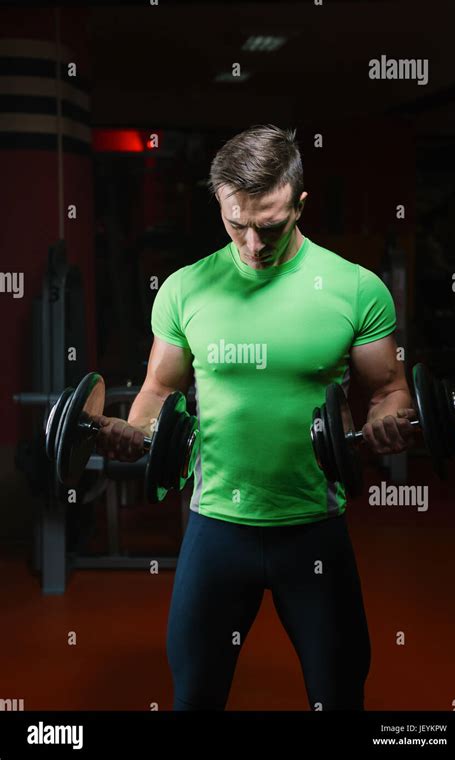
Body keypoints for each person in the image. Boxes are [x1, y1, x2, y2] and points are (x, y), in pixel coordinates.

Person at [95, 124, 416, 710]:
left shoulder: (354, 289)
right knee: (195, 697)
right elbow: (158, 392)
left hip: (314, 528)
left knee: (339, 694)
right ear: (219, 203)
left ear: (299, 203)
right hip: (215, 526)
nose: (250, 245)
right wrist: (134, 432)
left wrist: (389, 419)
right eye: (234, 223)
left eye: (268, 226)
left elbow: (391, 390)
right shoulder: (185, 289)